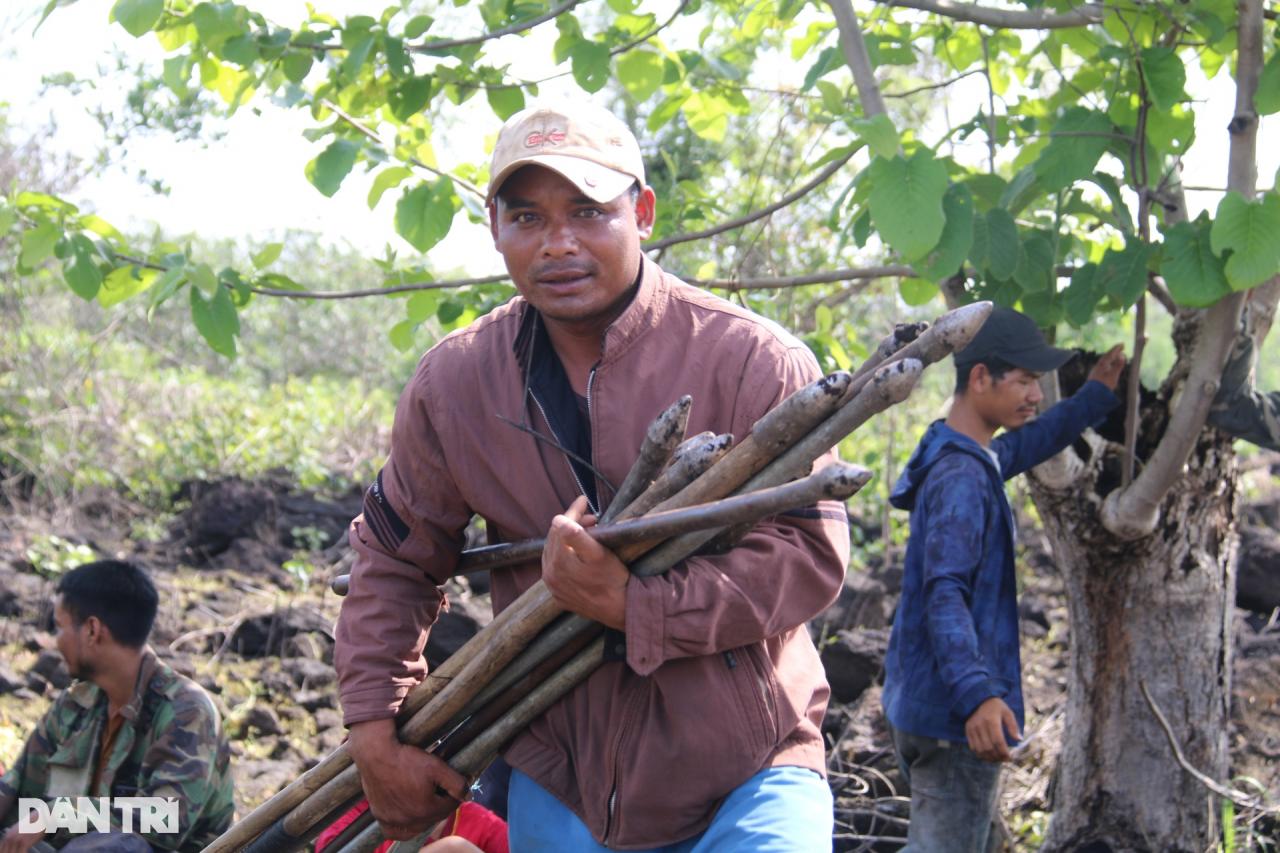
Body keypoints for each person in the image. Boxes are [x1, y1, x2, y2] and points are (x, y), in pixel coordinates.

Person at [334, 102, 850, 851]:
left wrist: (637, 604)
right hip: (566, 774)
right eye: (529, 218)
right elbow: (393, 560)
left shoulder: (751, 361)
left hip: (751, 765)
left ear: (641, 211)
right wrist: (374, 730)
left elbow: (809, 557)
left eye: (587, 211)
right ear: (495, 227)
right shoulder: (456, 386)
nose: (559, 244)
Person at [880, 308, 1126, 852]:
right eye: (1024, 380)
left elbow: (1027, 443)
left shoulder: (958, 449)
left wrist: (1094, 396)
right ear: (979, 379)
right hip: (956, 721)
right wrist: (977, 697)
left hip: (919, 702)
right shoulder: (962, 477)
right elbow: (944, 593)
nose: (1036, 394)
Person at [0, 561, 234, 853]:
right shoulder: (75, 705)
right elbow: (17, 787)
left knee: (121, 845)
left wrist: (58, 814)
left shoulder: (186, 710)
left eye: (60, 628)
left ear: (92, 630)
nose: (55, 642)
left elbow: (167, 820)